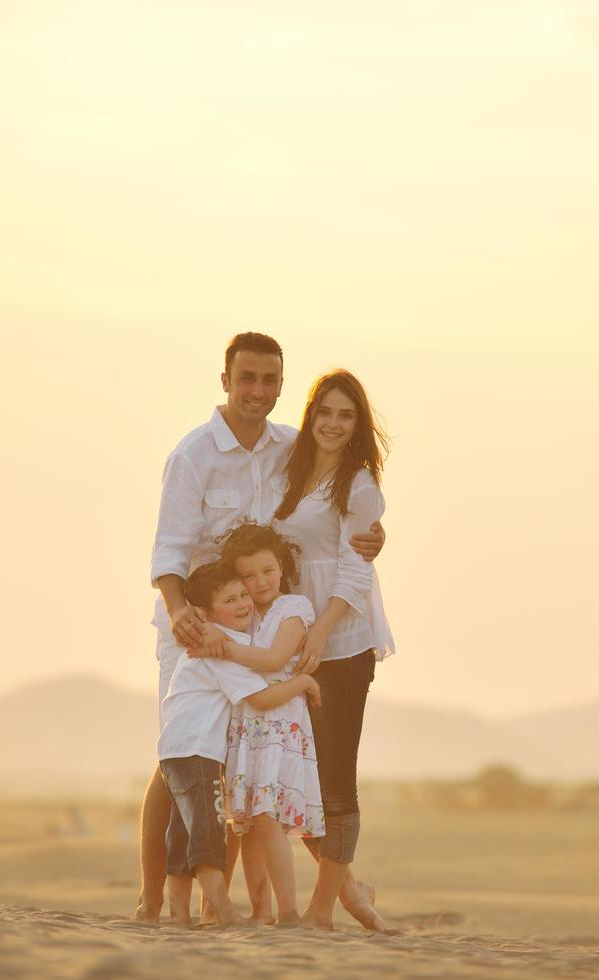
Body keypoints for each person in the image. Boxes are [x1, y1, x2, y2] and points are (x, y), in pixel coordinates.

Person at [134, 333, 385, 924]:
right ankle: (152, 900)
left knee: (253, 759)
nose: (258, 391)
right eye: (247, 378)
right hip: (196, 629)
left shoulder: (290, 449)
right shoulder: (194, 455)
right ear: (225, 380)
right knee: (181, 757)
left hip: (265, 628)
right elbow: (168, 550)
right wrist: (178, 613)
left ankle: (269, 898)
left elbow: (336, 505)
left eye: (270, 381)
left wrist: (375, 535)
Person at [271, 369, 393, 931]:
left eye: (347, 416)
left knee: (335, 775)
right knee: (296, 773)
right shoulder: (287, 470)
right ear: (311, 414)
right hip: (294, 637)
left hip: (341, 640)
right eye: (326, 412)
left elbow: (354, 567)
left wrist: (321, 631)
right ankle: (349, 886)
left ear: (358, 424)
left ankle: (322, 910)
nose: (334, 425)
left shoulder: (359, 483)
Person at [158, 560, 320, 925]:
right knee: (208, 834)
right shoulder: (216, 646)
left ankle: (179, 915)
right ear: (206, 613)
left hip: (179, 747)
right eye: (230, 599)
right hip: (197, 748)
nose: (243, 602)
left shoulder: (218, 640)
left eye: (243, 595)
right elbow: (260, 698)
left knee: (183, 832)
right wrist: (305, 684)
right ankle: (224, 912)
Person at [213, 523, 324, 927]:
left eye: (267, 571)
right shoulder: (242, 612)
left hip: (279, 720)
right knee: (246, 820)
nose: (259, 583)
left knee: (267, 815)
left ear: (282, 567)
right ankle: (260, 909)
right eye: (248, 575)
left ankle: (289, 912)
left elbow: (276, 660)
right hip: (246, 722)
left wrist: (224, 646)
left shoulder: (293, 608)